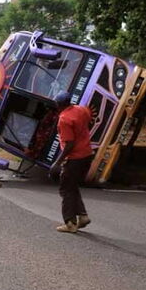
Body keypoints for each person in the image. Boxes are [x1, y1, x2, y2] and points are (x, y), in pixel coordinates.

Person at [49, 91, 94, 233]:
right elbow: (89, 118)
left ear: (59, 105)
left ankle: (70, 223)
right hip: (87, 154)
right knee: (72, 185)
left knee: (66, 189)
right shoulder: (81, 110)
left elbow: (69, 144)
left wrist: (57, 163)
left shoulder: (64, 119)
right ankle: (83, 216)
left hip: (75, 158)